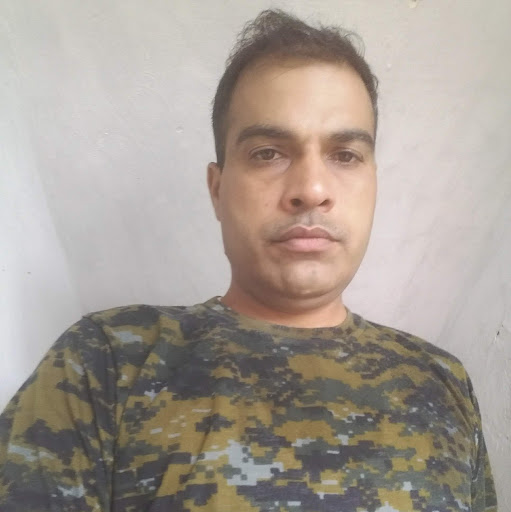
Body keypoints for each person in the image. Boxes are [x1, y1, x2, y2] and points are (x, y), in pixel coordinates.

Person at [0, 9, 497, 512]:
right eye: (268, 153)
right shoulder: (105, 363)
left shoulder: (442, 383)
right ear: (217, 189)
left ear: (374, 183)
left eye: (345, 155)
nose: (311, 189)